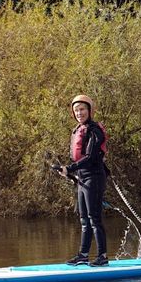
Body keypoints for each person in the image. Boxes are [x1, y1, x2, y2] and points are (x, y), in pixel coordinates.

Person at [60, 94, 109, 267]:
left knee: (94, 218)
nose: (79, 113)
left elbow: (90, 157)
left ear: (89, 111)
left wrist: (70, 168)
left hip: (94, 177)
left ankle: (102, 256)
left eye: (82, 109)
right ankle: (83, 255)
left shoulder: (94, 130)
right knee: (83, 220)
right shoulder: (78, 129)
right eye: (76, 110)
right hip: (83, 178)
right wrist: (70, 172)